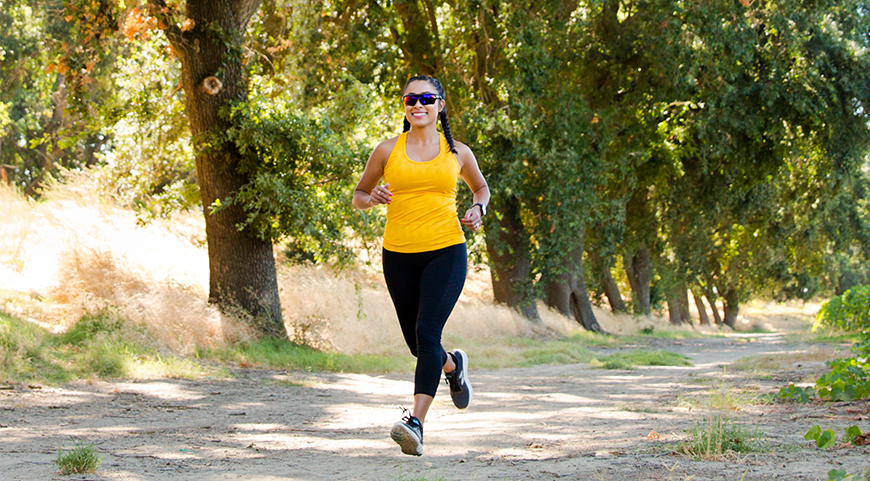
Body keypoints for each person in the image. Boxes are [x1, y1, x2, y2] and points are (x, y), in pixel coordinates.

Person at [352, 75, 490, 456]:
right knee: (418, 344)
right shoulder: (386, 150)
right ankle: (452, 365)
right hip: (398, 254)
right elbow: (359, 195)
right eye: (411, 98)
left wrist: (478, 208)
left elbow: (481, 188)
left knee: (427, 331)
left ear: (440, 105)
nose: (419, 104)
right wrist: (372, 197)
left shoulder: (457, 152)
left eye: (427, 98)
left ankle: (415, 423)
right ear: (404, 105)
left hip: (446, 250)